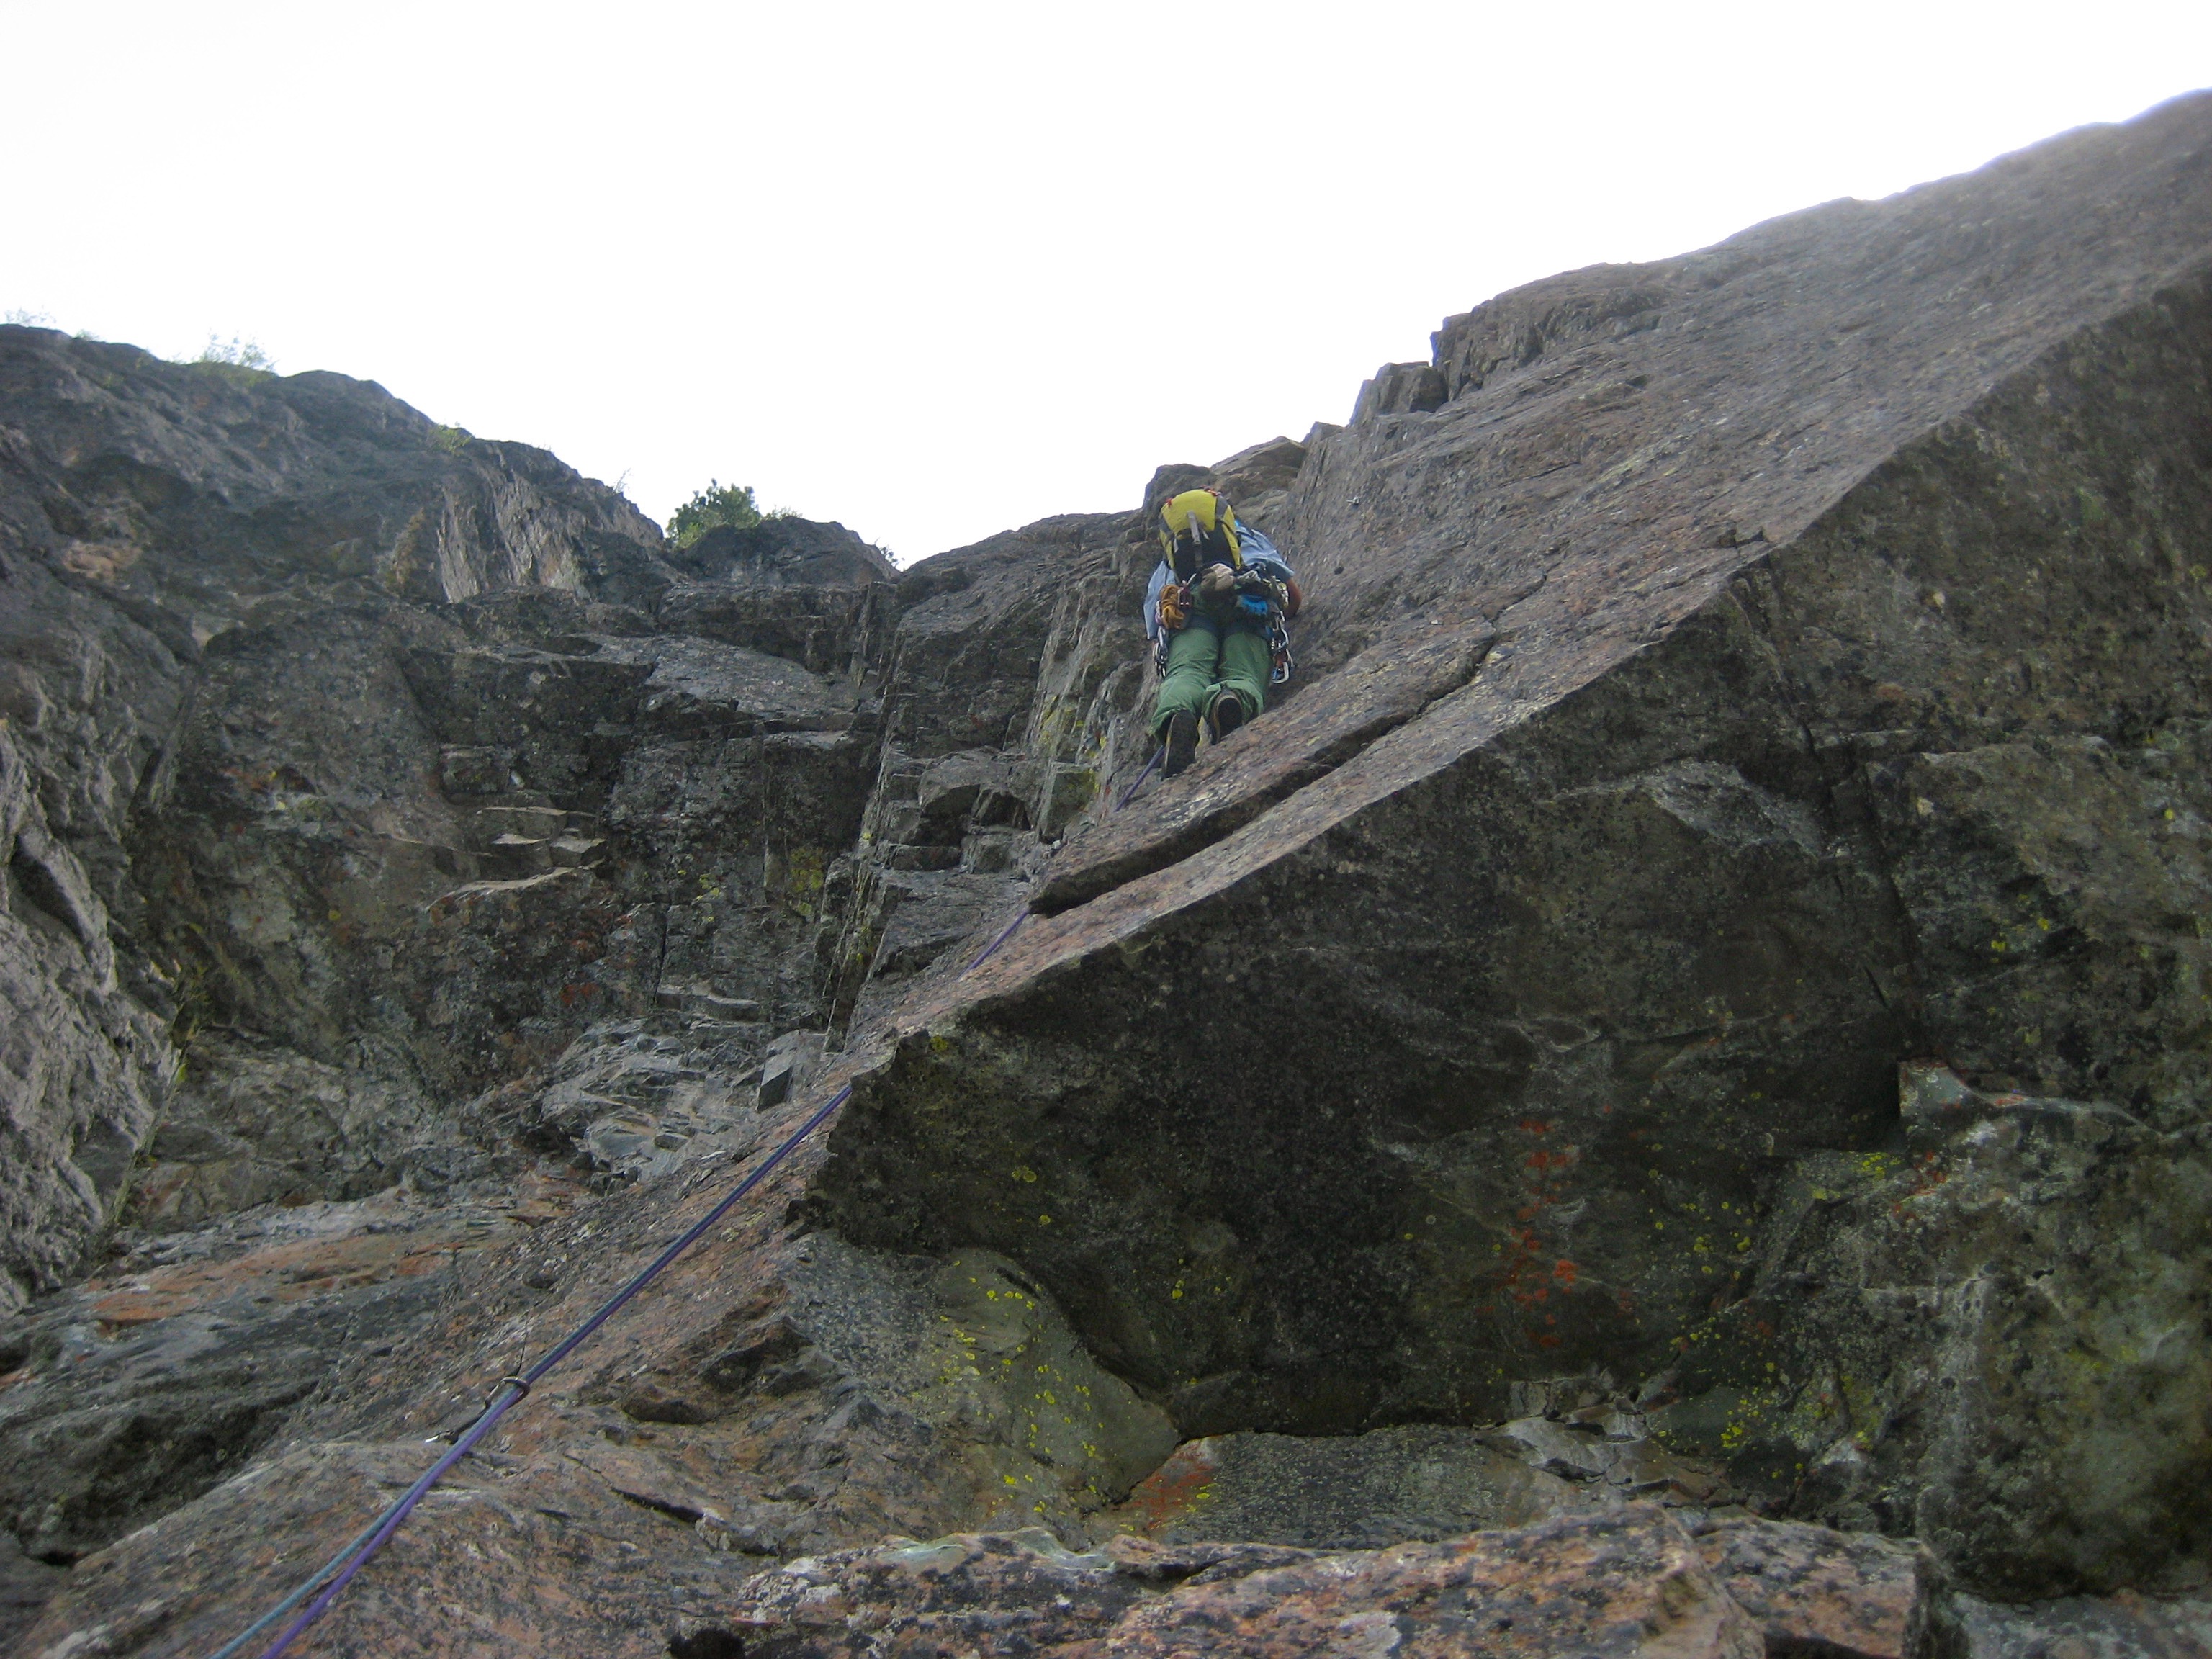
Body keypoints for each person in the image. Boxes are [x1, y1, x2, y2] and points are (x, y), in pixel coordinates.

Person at [1144, 487, 1300, 776]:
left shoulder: (1170, 559)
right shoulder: (1248, 537)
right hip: (1248, 603)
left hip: (1190, 605)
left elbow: (1155, 624)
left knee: (1187, 671)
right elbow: (1290, 591)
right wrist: (1285, 612)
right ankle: (1230, 701)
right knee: (1244, 671)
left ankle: (1178, 715)